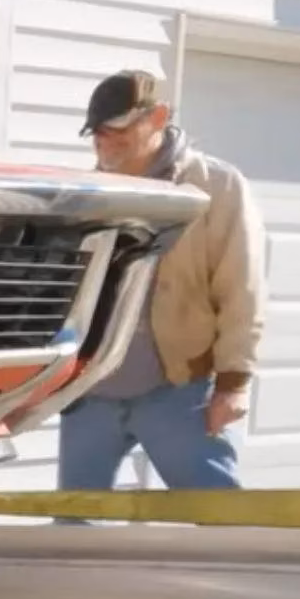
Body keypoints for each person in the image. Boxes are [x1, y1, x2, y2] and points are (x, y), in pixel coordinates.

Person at [56, 69, 266, 510]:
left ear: (158, 117)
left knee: (220, 518)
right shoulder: (88, 194)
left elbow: (241, 290)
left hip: (178, 391)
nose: (104, 143)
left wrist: (234, 383)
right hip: (92, 395)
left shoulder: (218, 187)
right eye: (95, 133)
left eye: (116, 129)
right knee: (74, 527)